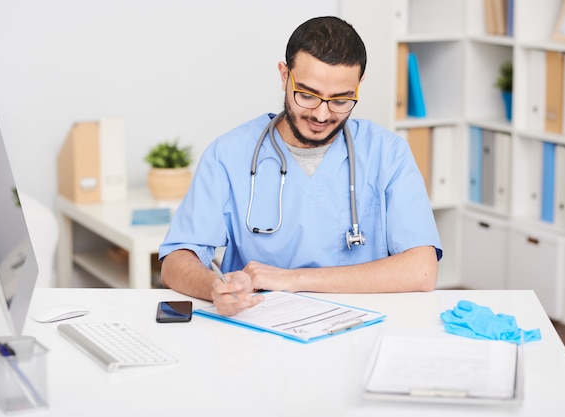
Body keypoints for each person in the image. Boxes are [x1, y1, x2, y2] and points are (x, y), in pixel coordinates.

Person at [159, 16, 442, 316]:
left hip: (358, 329)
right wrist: (214, 288)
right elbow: (176, 260)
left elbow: (422, 270)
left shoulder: (386, 153)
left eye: (341, 100)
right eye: (306, 95)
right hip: (257, 330)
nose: (322, 115)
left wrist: (292, 279)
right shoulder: (228, 154)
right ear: (284, 76)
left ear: (358, 87)